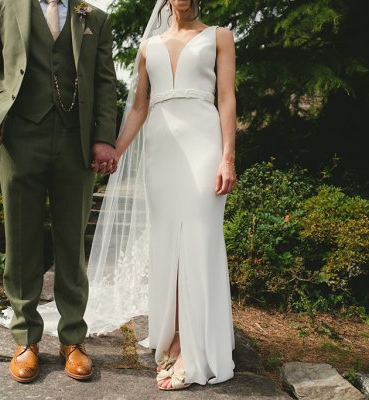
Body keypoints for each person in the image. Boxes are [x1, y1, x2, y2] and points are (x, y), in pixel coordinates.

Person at [0, 0, 117, 383]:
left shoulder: (94, 17)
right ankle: (25, 340)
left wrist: (103, 136)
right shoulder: (2, 5)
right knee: (21, 241)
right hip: (20, 138)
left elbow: (104, 81)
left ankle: (72, 340)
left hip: (75, 141)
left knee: (71, 242)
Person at [106, 0, 238, 391]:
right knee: (167, 241)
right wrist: (116, 150)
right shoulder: (149, 46)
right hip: (160, 148)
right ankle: (174, 336)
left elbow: (227, 98)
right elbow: (139, 107)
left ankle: (194, 348)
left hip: (203, 143)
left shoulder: (220, 37)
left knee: (199, 237)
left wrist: (228, 158)